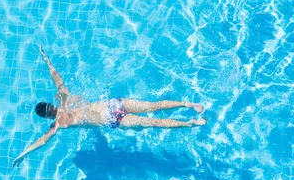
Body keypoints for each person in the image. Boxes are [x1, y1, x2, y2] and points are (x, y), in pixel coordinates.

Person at [12, 47, 207, 167]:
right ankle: (186, 103)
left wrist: (23, 154)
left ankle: (190, 123)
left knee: (154, 122)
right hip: (114, 104)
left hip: (115, 120)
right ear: (50, 104)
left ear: (47, 117)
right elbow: (57, 78)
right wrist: (46, 59)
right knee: (153, 105)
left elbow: (43, 141)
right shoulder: (64, 98)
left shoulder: (59, 124)